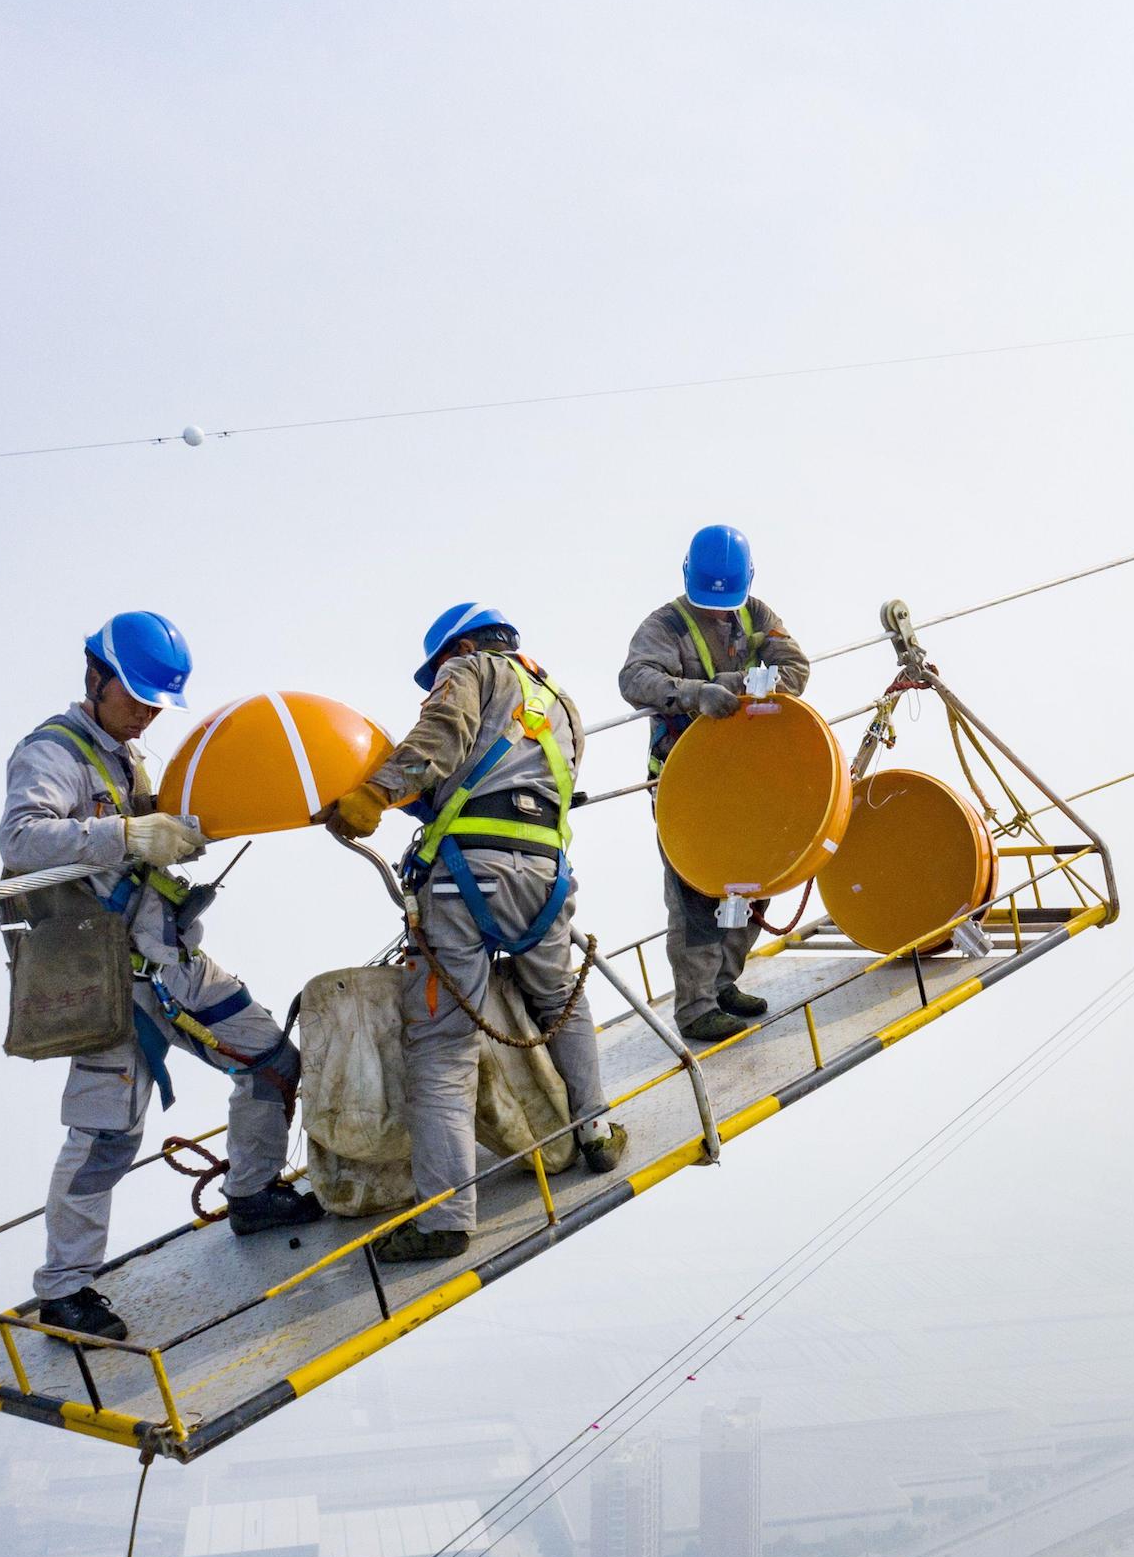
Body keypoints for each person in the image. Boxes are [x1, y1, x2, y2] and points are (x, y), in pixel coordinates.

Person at [0, 612, 319, 1343]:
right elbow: (19, 837)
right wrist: (130, 833)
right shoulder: (54, 751)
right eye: (136, 697)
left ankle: (252, 1192)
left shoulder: (127, 758)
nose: (146, 712)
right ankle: (65, 1291)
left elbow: (137, 848)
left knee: (273, 1060)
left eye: (154, 702)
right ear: (95, 677)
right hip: (110, 977)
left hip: (172, 960)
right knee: (106, 1137)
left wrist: (179, 834)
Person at [325, 604, 620, 1263]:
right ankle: (596, 1127)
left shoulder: (470, 670)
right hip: (545, 876)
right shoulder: (563, 705)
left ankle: (446, 1217)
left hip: (467, 877)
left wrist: (375, 795)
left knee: (442, 1045)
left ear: (458, 648)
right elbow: (530, 784)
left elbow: (441, 736)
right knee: (559, 998)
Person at [618, 525, 812, 1042]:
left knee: (757, 881)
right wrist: (693, 692)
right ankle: (696, 1008)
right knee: (696, 894)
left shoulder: (757, 616)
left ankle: (724, 983)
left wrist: (744, 687)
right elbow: (634, 680)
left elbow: (795, 667)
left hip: (749, 781)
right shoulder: (666, 625)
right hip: (686, 783)